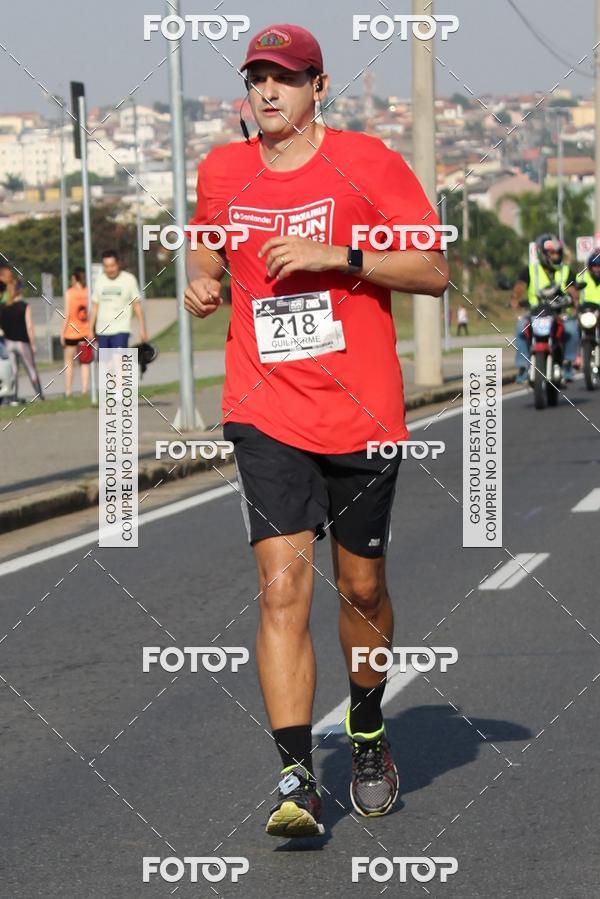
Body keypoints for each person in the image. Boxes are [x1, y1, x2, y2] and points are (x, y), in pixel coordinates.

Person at [184, 23, 449, 837]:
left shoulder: (369, 164)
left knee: (361, 586)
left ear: (319, 87)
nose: (269, 91)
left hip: (361, 410)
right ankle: (297, 774)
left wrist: (341, 254)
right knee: (283, 587)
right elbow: (204, 244)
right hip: (265, 409)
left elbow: (433, 268)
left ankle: (366, 729)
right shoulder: (222, 170)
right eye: (258, 77)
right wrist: (200, 280)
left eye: (287, 78)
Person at [510, 234, 579, 383]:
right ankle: (522, 366)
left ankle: (567, 364)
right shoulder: (530, 270)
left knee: (572, 329)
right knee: (520, 327)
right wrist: (515, 300)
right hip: (535, 313)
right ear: (542, 253)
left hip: (559, 313)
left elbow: (573, 290)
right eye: (551, 253)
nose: (555, 256)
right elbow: (519, 286)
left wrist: (574, 302)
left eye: (557, 252)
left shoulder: (566, 270)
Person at [0, 266, 44, 402]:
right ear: (19, 290)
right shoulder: (24, 306)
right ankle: (39, 395)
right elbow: (29, 326)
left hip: (8, 342)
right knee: (31, 369)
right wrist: (33, 344)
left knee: (13, 371)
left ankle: (13, 396)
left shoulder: (3, 307)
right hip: (22, 343)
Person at [89, 250, 148, 349]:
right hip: (102, 330)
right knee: (106, 364)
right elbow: (95, 306)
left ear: (118, 264)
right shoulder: (99, 280)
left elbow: (137, 306)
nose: (110, 269)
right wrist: (90, 329)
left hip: (121, 329)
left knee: (119, 360)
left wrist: (142, 328)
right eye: (106, 266)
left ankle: (126, 363)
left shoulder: (129, 279)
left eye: (112, 265)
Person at [62, 267, 92, 397]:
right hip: (85, 331)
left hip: (71, 332)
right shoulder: (88, 292)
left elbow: (67, 314)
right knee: (85, 363)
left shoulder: (69, 293)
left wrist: (62, 333)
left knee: (69, 362)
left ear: (74, 278)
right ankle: (84, 390)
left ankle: (68, 391)